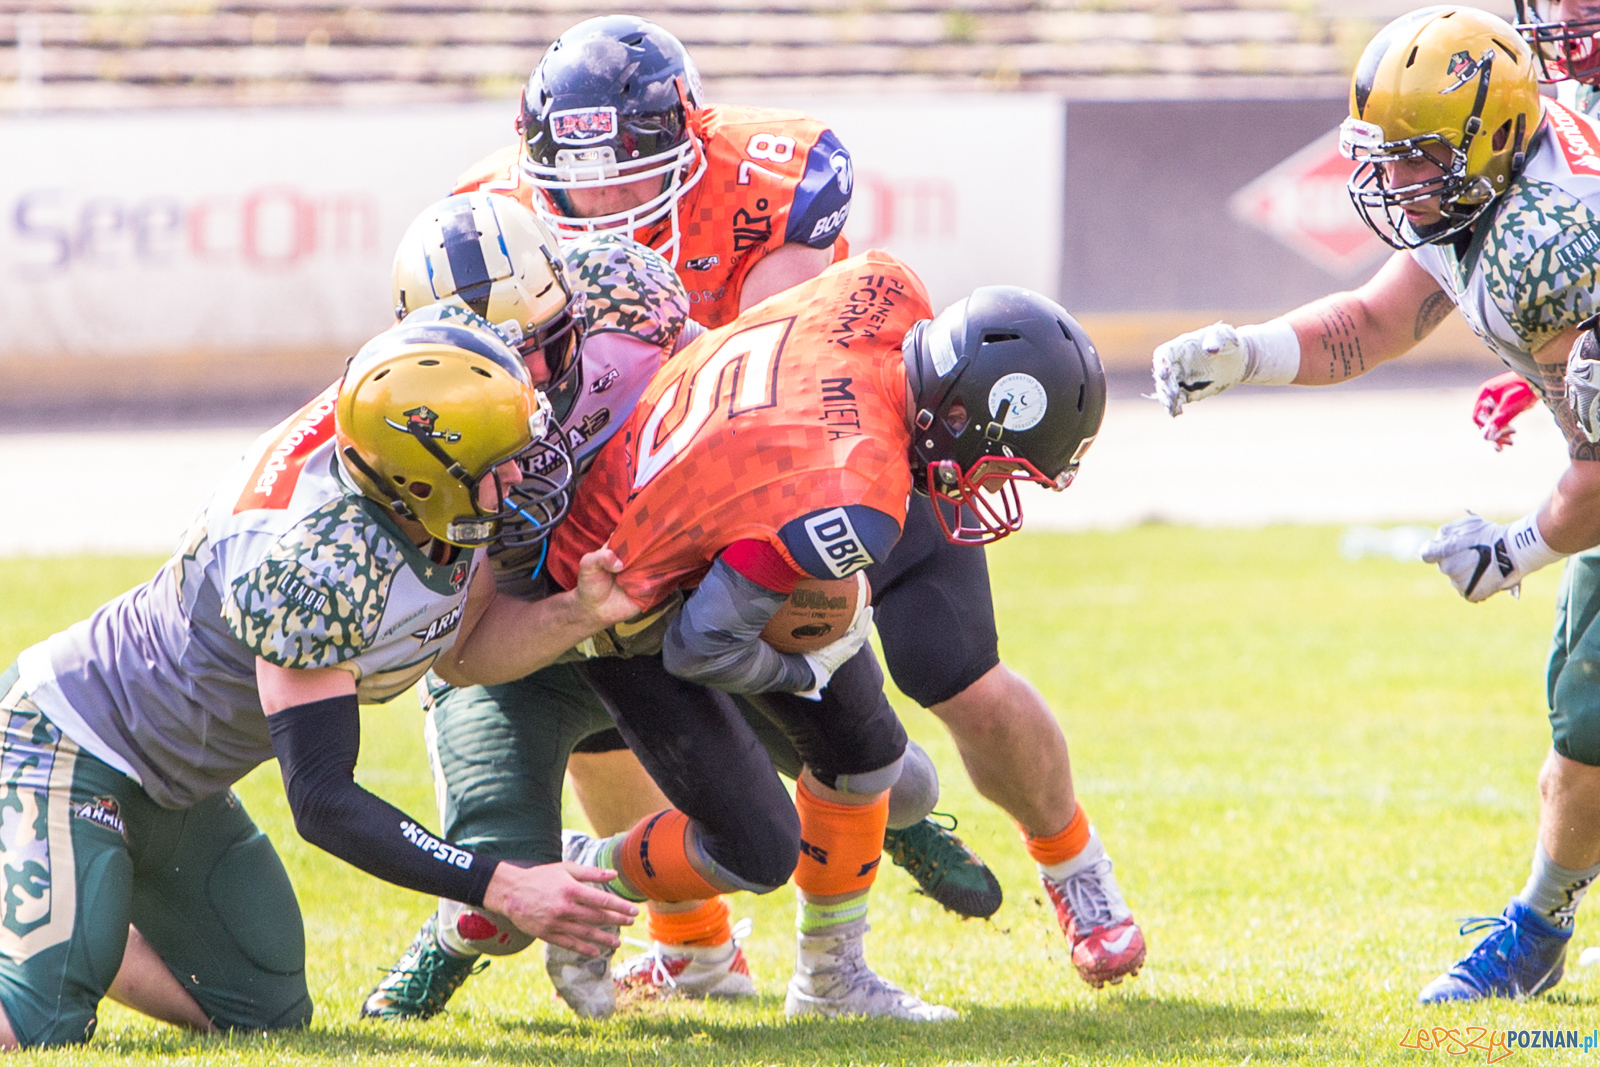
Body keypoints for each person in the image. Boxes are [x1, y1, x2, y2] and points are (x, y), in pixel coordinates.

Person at [460, 13, 1147, 988]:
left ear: (686, 143)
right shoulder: (491, 214)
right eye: (581, 170)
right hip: (660, 497)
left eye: (626, 166)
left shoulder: (769, 174)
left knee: (955, 668)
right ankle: (695, 943)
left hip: (835, 453)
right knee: (617, 721)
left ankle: (1072, 862)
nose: (603, 193)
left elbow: (778, 378)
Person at [362, 198, 948, 1022]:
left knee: (884, 770)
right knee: (502, 904)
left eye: (542, 345)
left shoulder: (624, 296)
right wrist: (584, 611)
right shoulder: (414, 429)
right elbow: (465, 650)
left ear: (568, 297)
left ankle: (845, 944)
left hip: (651, 600)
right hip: (528, 642)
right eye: (499, 360)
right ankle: (465, 932)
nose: (529, 380)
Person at [0, 304, 641, 1046]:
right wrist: (504, 882)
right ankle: (64, 922)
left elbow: (463, 653)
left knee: (264, 1009)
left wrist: (580, 612)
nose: (520, 471)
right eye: (496, 460)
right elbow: (323, 799)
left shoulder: (418, 484)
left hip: (175, 777)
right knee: (39, 1019)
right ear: (427, 475)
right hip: (69, 736)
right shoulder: (314, 564)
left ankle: (79, 913)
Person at [1151, 5, 1600, 1003]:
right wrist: (1249, 350)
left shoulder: (1550, 237)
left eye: (1418, 158)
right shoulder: (1495, 176)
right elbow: (1379, 316)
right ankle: (1542, 922)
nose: (1394, 182)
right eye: (1386, 156)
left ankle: (1533, 929)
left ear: (1485, 141)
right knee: (1586, 721)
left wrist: (1515, 549)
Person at [539, 248, 1106, 1020]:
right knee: (755, 846)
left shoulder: (887, 284)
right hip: (619, 595)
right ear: (961, 413)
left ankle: (832, 982)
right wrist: (803, 669)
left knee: (874, 758)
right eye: (1002, 464)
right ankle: (576, 878)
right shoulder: (858, 491)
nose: (995, 484)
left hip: (696, 508)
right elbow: (697, 646)